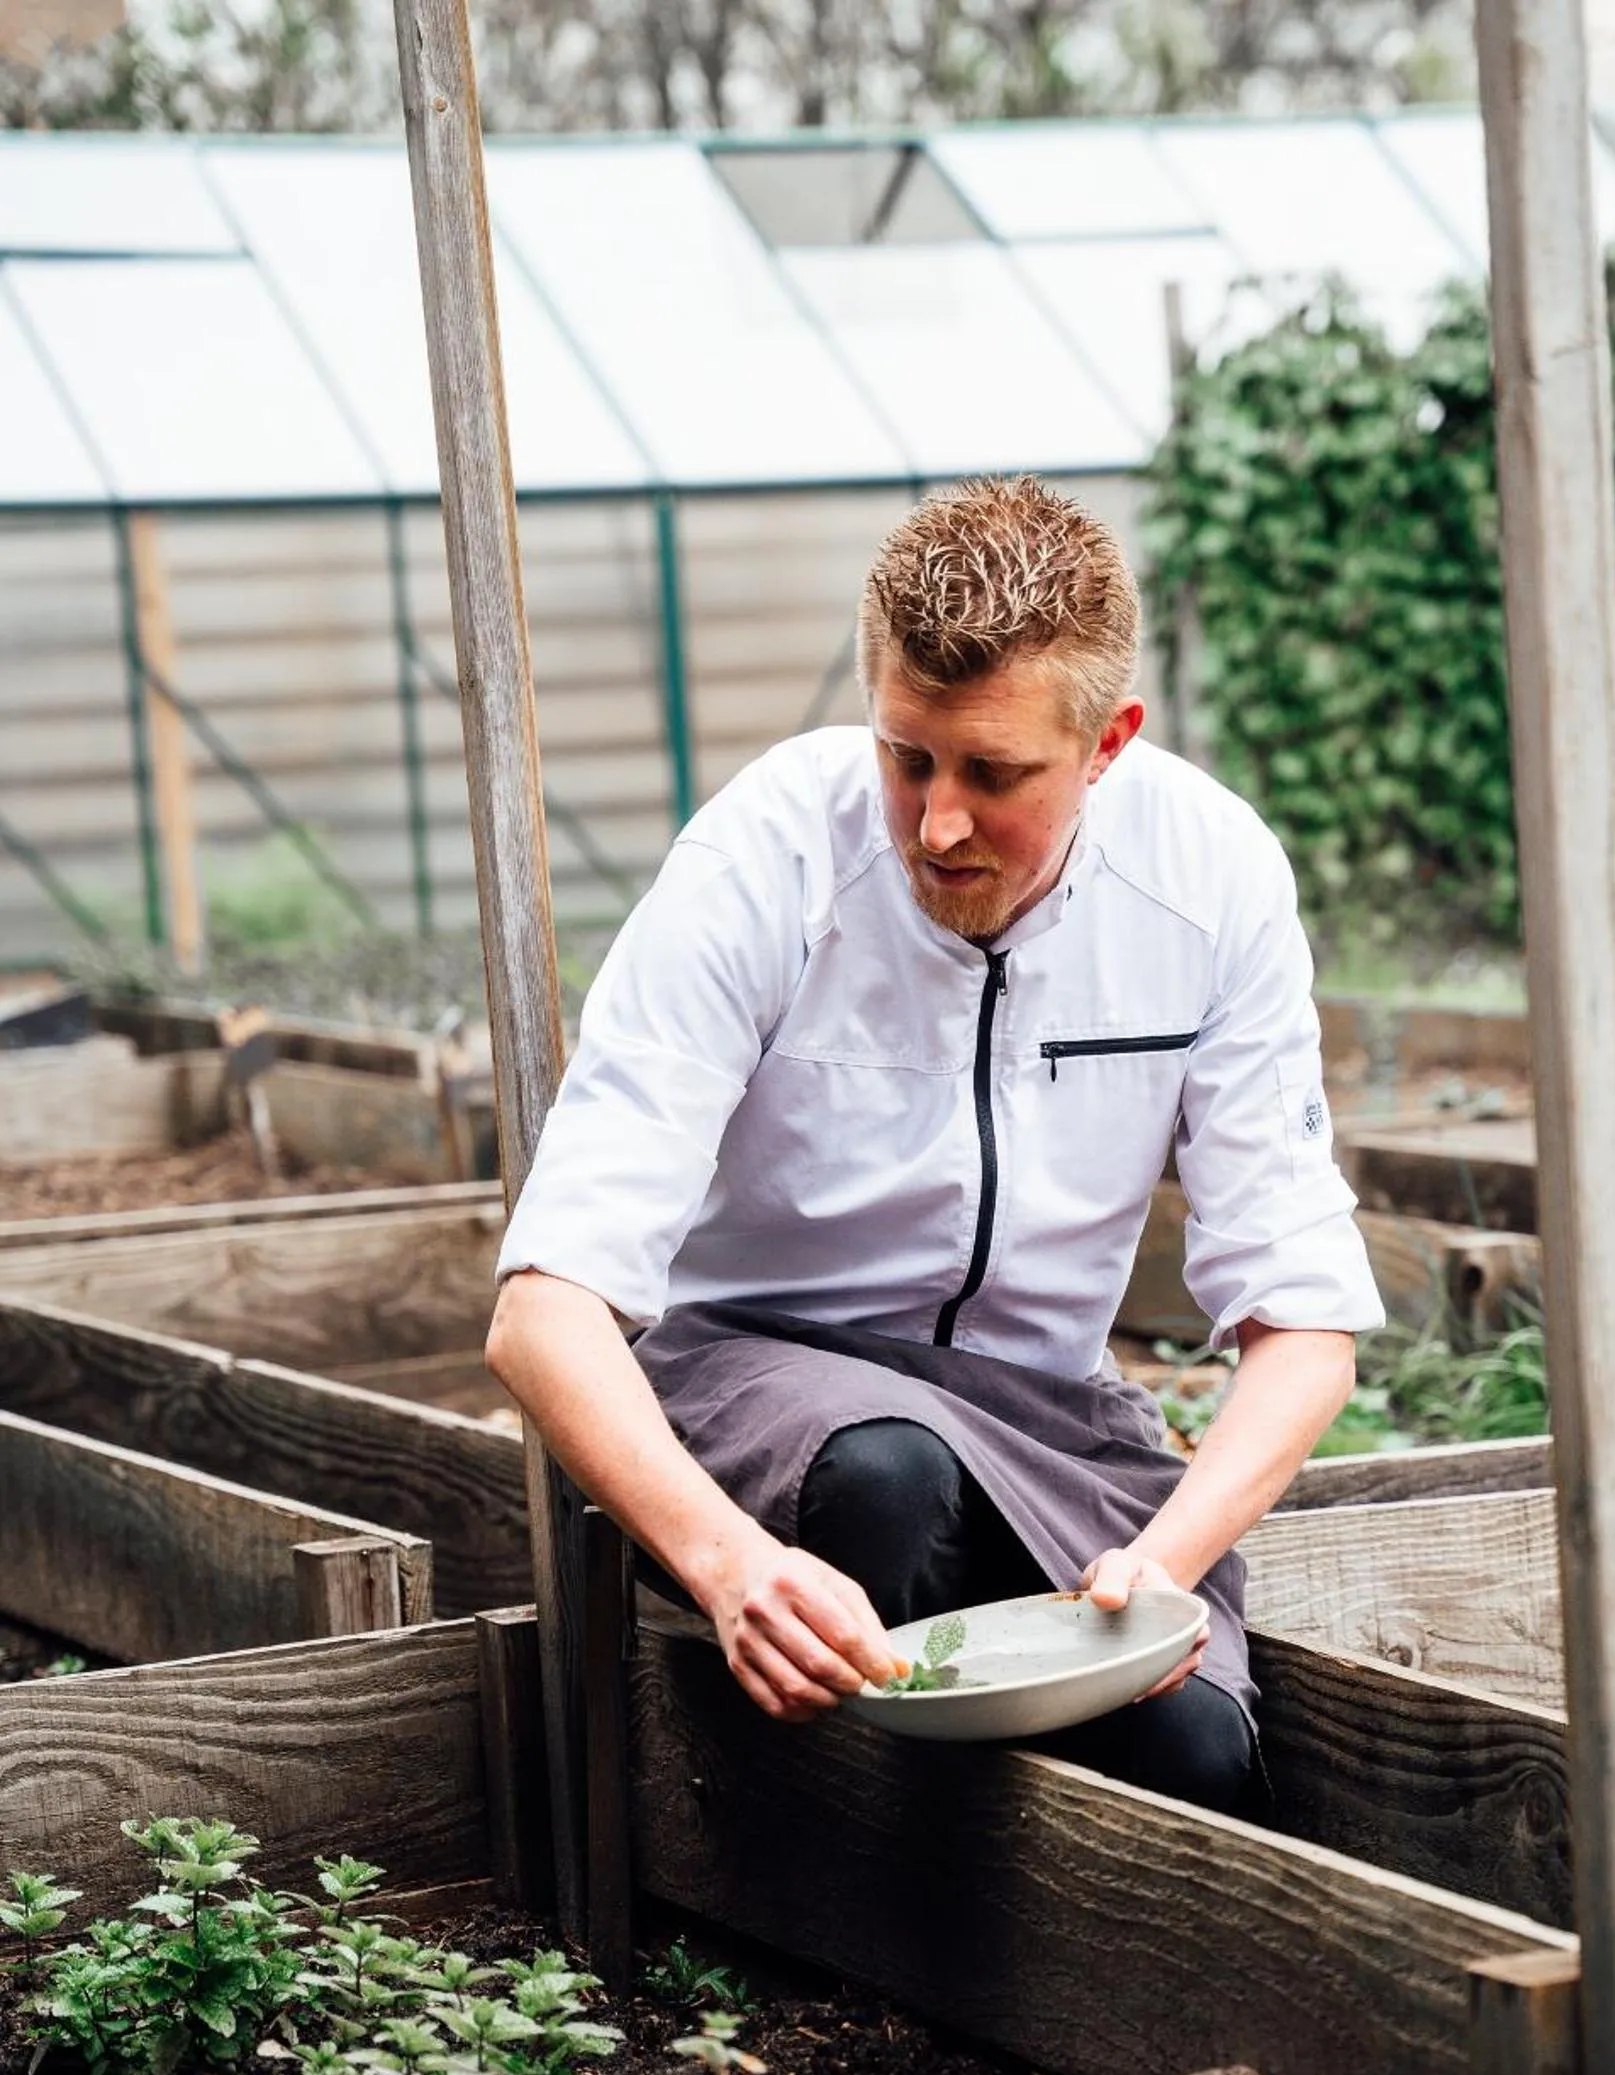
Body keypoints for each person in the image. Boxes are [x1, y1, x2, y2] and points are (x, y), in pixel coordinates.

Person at [487, 476, 1383, 1817]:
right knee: (887, 1480)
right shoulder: (765, 858)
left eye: (994, 774)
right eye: (907, 757)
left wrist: (1164, 1561)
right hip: (756, 1386)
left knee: (1199, 1757)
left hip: (1044, 1415)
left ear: (1109, 741)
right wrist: (731, 1568)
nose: (940, 820)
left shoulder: (1213, 880)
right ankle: (830, 1908)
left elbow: (1305, 1318)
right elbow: (542, 1314)